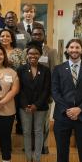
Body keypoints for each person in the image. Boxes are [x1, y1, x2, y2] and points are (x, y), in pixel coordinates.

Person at [17, 43, 51, 162]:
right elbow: (19, 89)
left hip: (40, 107)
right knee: (26, 132)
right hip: (24, 107)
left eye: (36, 54)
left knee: (38, 132)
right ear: (27, 55)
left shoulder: (46, 70)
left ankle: (37, 160)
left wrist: (36, 105)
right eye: (30, 54)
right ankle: (28, 158)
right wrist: (26, 105)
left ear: (40, 55)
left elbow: (46, 90)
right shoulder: (21, 69)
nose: (33, 56)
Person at [30, 26, 57, 154]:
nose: (36, 36)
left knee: (44, 122)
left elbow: (54, 72)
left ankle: (44, 145)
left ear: (44, 36)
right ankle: (32, 144)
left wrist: (51, 93)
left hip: (46, 93)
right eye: (34, 34)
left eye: (39, 34)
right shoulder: (27, 51)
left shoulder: (51, 52)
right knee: (31, 122)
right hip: (31, 93)